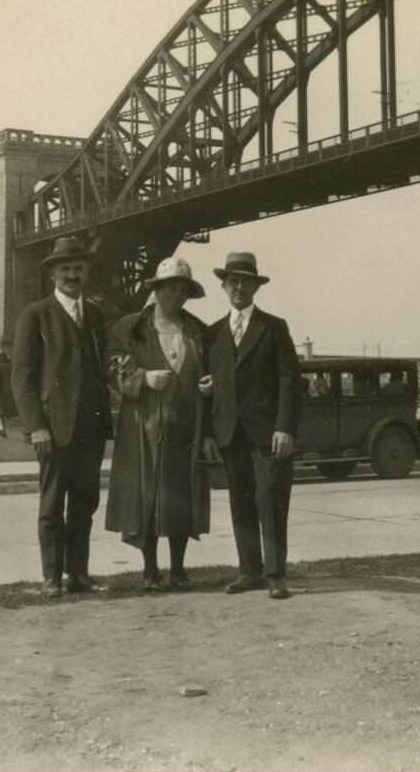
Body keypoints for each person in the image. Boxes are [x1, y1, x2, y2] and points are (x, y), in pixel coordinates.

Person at [11, 235, 113, 599]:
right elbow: (21, 377)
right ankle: (52, 577)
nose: (72, 274)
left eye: (78, 268)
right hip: (53, 430)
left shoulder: (96, 314)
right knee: (52, 504)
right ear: (53, 274)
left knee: (85, 504)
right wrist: (36, 426)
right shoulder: (35, 315)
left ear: (86, 272)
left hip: (91, 427)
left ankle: (79, 574)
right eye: (65, 268)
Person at [105, 257, 211, 592]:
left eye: (183, 289)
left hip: (185, 429)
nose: (177, 295)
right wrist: (143, 377)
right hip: (144, 428)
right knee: (146, 499)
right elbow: (110, 367)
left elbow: (212, 369)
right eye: (171, 288)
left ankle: (178, 570)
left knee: (180, 499)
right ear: (157, 290)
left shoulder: (197, 330)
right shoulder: (131, 328)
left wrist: (211, 387)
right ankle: (150, 571)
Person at [201, 251, 302, 600]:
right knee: (240, 501)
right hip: (230, 433)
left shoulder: (274, 328)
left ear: (256, 286)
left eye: (245, 281)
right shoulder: (212, 334)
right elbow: (207, 388)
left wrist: (284, 427)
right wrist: (209, 434)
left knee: (270, 499)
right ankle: (249, 571)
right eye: (232, 281)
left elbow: (290, 381)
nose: (238, 287)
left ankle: (275, 575)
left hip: (268, 434)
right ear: (224, 286)